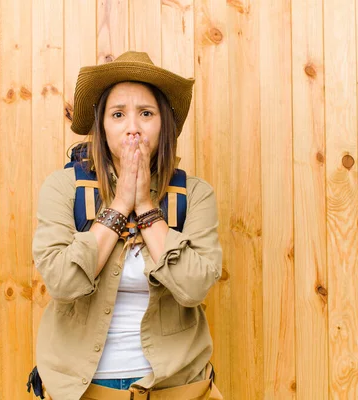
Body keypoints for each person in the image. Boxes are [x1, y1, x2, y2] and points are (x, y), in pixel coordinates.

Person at [32, 51, 223, 400]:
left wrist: (147, 208)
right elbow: (61, 282)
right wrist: (119, 206)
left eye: (146, 114)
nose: (132, 127)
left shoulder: (195, 194)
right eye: (118, 114)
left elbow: (194, 287)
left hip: (176, 388)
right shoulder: (62, 188)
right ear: (102, 126)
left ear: (163, 123)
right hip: (80, 390)